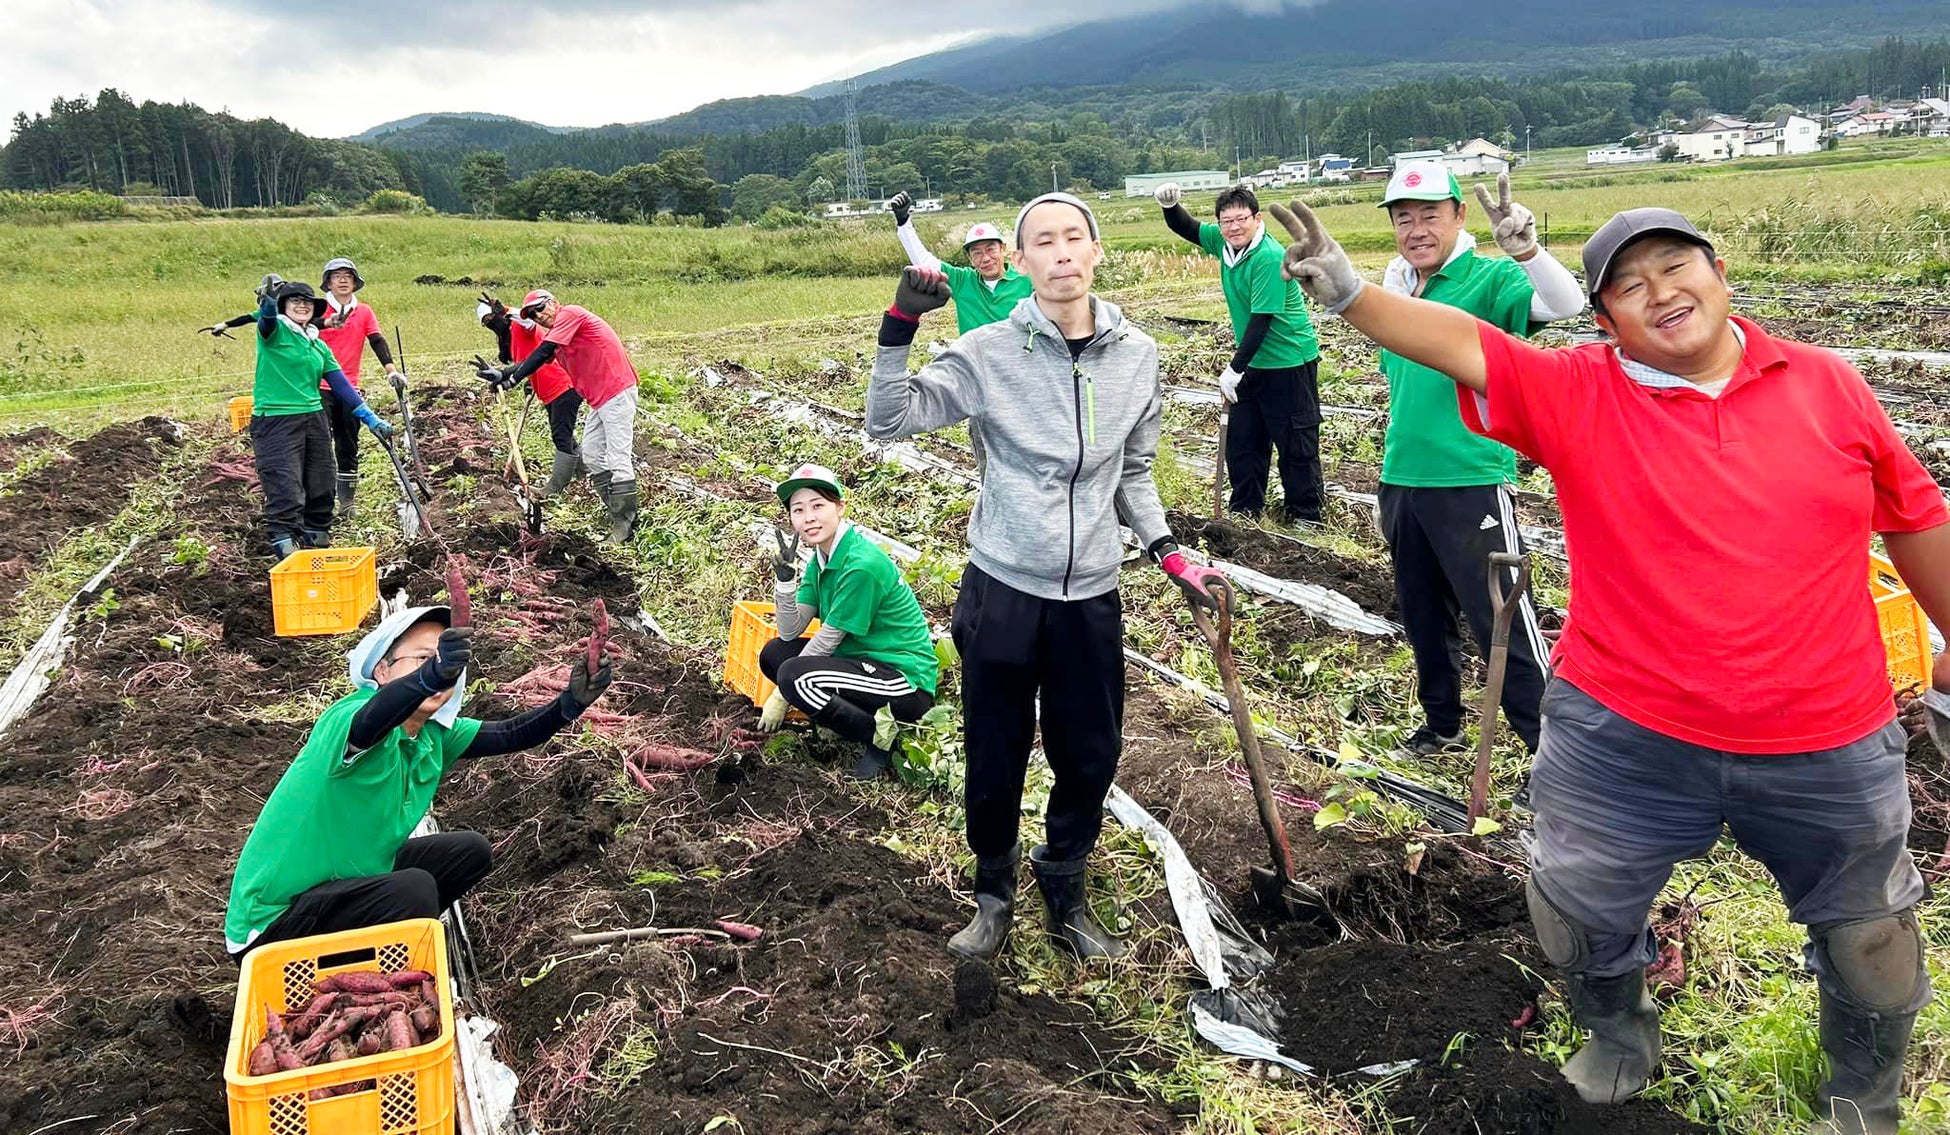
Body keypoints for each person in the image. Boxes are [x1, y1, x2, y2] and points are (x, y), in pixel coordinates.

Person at [1266, 199, 1944, 1135]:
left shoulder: (1828, 383)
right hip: (1624, 729)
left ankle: (1861, 1097)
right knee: (1574, 904)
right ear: (1605, 318)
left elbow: (1913, 515)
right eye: (1629, 284)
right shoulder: (1580, 391)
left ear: (1719, 275)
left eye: (1676, 266)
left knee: (1872, 933)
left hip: (1825, 732)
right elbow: (1465, 343)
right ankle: (1620, 1035)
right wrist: (1350, 295)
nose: (1660, 291)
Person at [866, 191, 1226, 963]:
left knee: (1090, 752)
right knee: (994, 753)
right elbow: (888, 420)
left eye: (1074, 239)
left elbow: (1134, 472)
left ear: (1097, 251)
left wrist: (1170, 554)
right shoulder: (991, 350)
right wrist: (899, 327)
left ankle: (1064, 881)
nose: (1061, 253)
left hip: (1091, 595)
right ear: (1021, 264)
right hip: (1002, 589)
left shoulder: (1138, 357)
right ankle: (992, 893)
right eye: (1044, 243)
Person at [224, 603, 614, 959]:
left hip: (346, 882)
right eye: (425, 659)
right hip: (274, 924)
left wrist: (571, 703)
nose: (439, 672)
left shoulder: (432, 735)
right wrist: (428, 678)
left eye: (446, 664)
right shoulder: (349, 718)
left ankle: (370, 949)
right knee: (414, 890)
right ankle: (382, 960)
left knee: (469, 852)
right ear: (381, 669)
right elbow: (373, 719)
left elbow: (514, 733)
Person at [1371, 164, 1584, 758]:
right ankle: (1442, 724)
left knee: (1504, 623)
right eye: (1403, 218)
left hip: (1470, 480)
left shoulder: (1487, 280)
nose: (1416, 229)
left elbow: (1564, 307)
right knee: (1422, 616)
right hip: (1402, 478)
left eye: (1430, 214)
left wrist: (1529, 252)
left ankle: (1553, 754)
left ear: (1459, 216)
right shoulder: (1399, 293)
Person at [754, 464, 939, 781]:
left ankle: (879, 739)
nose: (809, 517)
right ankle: (848, 719)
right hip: (862, 662)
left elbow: (827, 641)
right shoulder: (821, 558)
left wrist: (782, 695)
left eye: (818, 506)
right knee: (775, 653)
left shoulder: (861, 565)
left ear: (840, 507)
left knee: (794, 677)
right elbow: (790, 630)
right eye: (798, 510)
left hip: (902, 680)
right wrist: (785, 583)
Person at [1154, 182, 1322, 522]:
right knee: (1243, 441)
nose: (1233, 227)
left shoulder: (1269, 257)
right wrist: (1170, 206)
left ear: (1257, 219)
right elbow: (1187, 228)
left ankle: (1306, 514)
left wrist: (1234, 369)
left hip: (1288, 361)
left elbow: (1260, 322)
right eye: (1226, 221)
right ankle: (1246, 510)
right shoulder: (1224, 243)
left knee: (1294, 442)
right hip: (1252, 364)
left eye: (1241, 219)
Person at [200, 277, 392, 558]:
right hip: (276, 421)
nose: (302, 306)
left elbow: (340, 385)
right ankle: (288, 556)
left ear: (314, 310)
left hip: (313, 418)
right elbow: (265, 319)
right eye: (294, 301)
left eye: (306, 302)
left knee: (322, 487)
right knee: (286, 490)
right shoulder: (274, 331)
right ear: (283, 306)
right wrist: (267, 301)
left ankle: (317, 550)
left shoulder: (317, 345)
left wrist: (370, 418)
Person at [478, 291, 639, 541]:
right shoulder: (560, 332)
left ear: (554, 302)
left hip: (616, 390)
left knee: (617, 457)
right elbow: (539, 358)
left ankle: (625, 523)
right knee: (594, 455)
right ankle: (616, 511)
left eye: (540, 309)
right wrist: (503, 372)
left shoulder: (571, 314)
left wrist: (512, 379)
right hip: (600, 398)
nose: (539, 316)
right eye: (532, 314)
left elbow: (543, 351)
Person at [316, 257, 404, 514]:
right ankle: (321, 501)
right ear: (328, 283)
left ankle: (347, 502)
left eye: (347, 276)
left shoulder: (363, 311)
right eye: (336, 276)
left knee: (348, 443)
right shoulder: (319, 311)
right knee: (320, 444)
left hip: (350, 387)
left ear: (354, 282)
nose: (343, 280)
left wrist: (392, 371)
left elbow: (376, 340)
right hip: (317, 386)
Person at [478, 292, 585, 497]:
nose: (492, 324)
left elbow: (527, 318)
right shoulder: (509, 340)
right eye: (486, 323)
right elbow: (525, 364)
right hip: (548, 390)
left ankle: (554, 488)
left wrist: (507, 310)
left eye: (492, 318)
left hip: (561, 384)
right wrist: (508, 377)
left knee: (560, 436)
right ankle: (584, 474)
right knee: (565, 434)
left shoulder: (521, 325)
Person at [887, 191, 1035, 335]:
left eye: (991, 249)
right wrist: (904, 221)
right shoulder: (962, 281)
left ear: (1003, 249)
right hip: (974, 358)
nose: (985, 258)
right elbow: (924, 261)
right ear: (970, 258)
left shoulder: (1026, 280)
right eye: (977, 253)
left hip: (1015, 357)